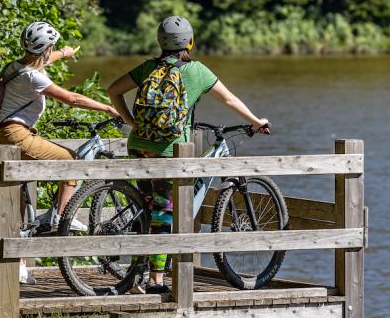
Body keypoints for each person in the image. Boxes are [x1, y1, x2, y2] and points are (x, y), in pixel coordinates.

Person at [107, 15, 270, 294]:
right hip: (170, 150)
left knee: (146, 208)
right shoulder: (196, 71)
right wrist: (257, 121)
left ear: (160, 41)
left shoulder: (148, 67)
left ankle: (136, 273)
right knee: (163, 212)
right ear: (189, 42)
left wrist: (132, 122)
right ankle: (155, 280)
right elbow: (229, 99)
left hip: (138, 144)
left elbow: (113, 91)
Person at [0, 21, 120, 282]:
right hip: (16, 136)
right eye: (53, 48)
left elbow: (40, 61)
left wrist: (64, 54)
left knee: (18, 198)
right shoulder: (34, 77)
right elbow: (73, 99)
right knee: (71, 161)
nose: (54, 51)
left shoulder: (16, 67)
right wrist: (108, 108)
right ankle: (61, 217)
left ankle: (19, 263)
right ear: (45, 49)